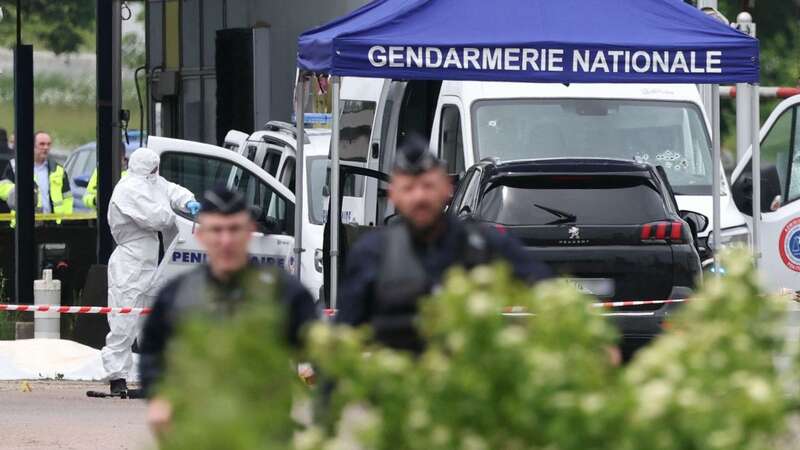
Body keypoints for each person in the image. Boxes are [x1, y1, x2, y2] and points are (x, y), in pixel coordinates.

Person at [337, 136, 551, 352]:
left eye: (428, 186)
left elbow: (552, 301)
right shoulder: (372, 253)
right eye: (409, 188)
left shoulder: (488, 246)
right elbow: (342, 340)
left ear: (447, 188)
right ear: (393, 194)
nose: (419, 197)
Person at [139, 185, 318, 434]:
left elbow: (317, 350)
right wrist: (158, 397)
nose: (226, 240)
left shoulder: (284, 293)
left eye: (234, 229)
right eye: (216, 230)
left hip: (265, 427)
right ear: (201, 235)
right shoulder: (177, 295)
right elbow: (152, 354)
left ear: (250, 231)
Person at [99, 147, 201, 398]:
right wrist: (178, 216)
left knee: (153, 319)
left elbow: (170, 190)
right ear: (146, 168)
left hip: (153, 259)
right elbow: (157, 218)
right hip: (131, 261)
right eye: (154, 168)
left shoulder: (153, 181)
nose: (157, 172)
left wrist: (187, 201)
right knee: (124, 319)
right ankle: (117, 378)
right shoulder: (129, 189)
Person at [0, 131, 73, 215]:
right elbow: (2, 187)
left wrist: (66, 219)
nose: (46, 147)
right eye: (42, 144)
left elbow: (67, 198)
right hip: (24, 222)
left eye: (48, 144)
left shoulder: (58, 170)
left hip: (53, 223)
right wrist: (15, 191)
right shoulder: (15, 166)